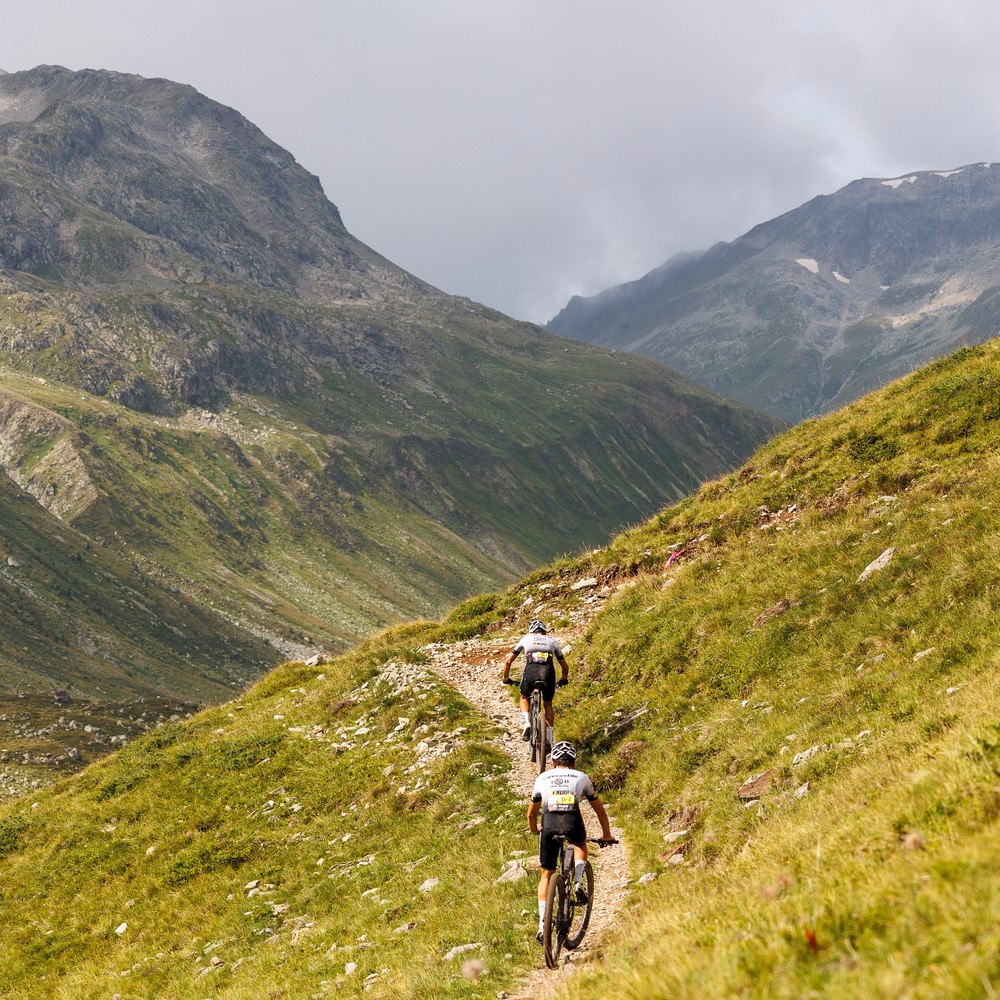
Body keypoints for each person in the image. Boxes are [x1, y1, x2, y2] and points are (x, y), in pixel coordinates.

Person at [527, 741, 616, 942]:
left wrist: (535, 830)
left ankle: (542, 924)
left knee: (546, 874)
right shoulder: (581, 777)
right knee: (579, 843)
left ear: (552, 763)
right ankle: (577, 881)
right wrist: (607, 835)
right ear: (573, 763)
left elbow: (531, 814)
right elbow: (600, 811)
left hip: (549, 824)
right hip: (572, 822)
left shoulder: (541, 778)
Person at [502, 619, 568, 744]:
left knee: (524, 696)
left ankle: (527, 723)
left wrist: (506, 678)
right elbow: (565, 667)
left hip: (531, 670)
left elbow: (508, 662)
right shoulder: (552, 641)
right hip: (548, 672)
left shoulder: (526, 639)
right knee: (548, 704)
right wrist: (564, 680)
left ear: (531, 631)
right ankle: (549, 738)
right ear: (544, 632)